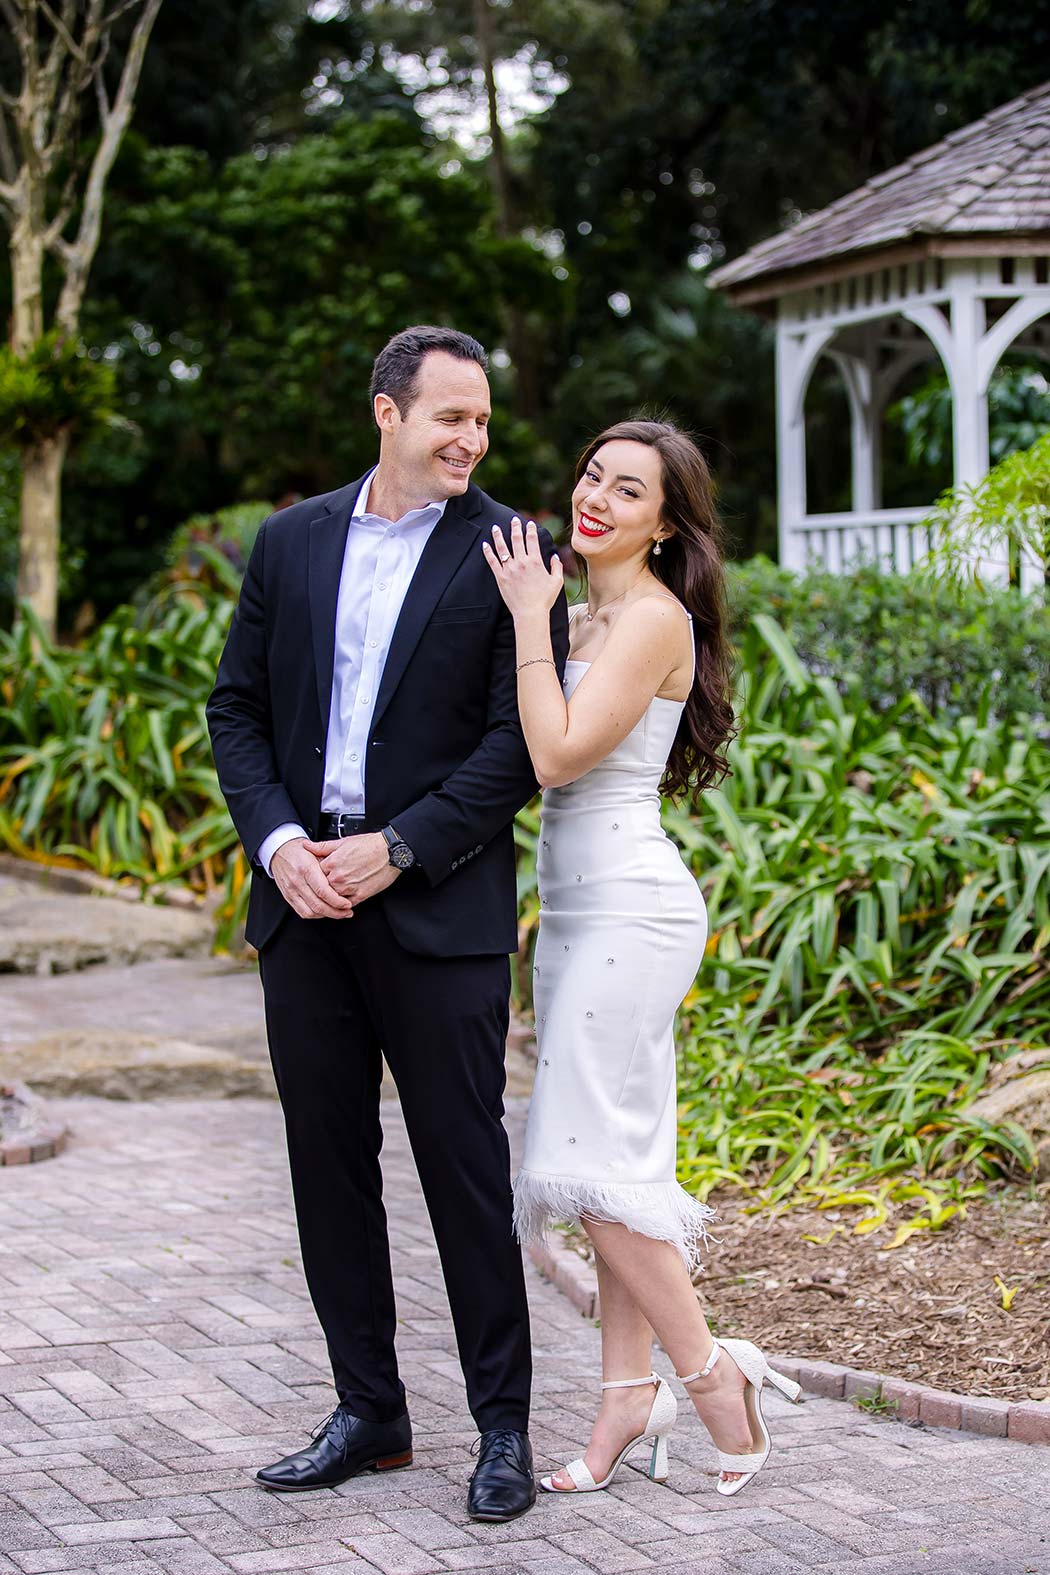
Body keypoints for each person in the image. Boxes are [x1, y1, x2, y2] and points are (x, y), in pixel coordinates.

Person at [206, 325, 569, 1522]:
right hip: (305, 910)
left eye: (481, 422)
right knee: (328, 1168)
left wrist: (399, 846)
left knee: (464, 1174)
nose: (470, 440)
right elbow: (238, 711)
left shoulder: (516, 550)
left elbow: (519, 746)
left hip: (436, 913)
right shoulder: (291, 540)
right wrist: (280, 845)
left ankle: (501, 1429)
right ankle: (369, 1412)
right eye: (448, 418)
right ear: (386, 414)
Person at [482, 418, 802, 1500]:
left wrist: (531, 620)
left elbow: (558, 752)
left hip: (630, 909)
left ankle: (715, 1377)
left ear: (666, 524)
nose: (598, 499)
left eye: (629, 491)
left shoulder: (651, 616)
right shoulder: (590, 612)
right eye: (591, 476)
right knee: (616, 1163)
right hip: (576, 914)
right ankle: (626, 1394)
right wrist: (546, 618)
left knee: (576, 1156)